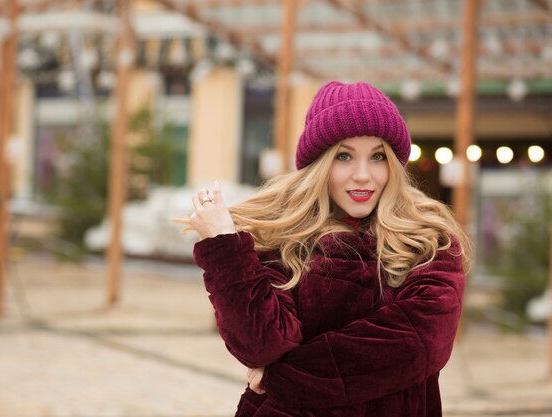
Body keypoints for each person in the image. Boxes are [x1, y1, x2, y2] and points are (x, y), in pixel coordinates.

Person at [185, 81, 471, 417]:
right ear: (320, 164)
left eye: (378, 156)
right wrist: (224, 248)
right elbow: (261, 344)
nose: (363, 175)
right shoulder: (285, 242)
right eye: (344, 156)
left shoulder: (428, 242)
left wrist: (283, 377)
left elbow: (419, 343)